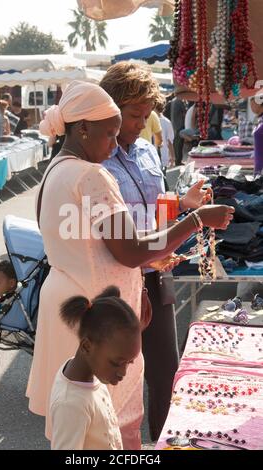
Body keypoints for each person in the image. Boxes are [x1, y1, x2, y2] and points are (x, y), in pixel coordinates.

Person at [26, 80, 234, 450]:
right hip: (99, 316)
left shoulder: (54, 171)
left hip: (78, 304)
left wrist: (135, 283)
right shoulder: (90, 175)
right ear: (82, 128)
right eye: (109, 135)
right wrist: (196, 219)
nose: (111, 147)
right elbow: (131, 249)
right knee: (110, 428)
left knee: (79, 425)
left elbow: (98, 247)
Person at [100, 61, 228, 442]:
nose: (142, 124)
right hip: (117, 280)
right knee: (116, 380)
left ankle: (162, 443)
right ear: (110, 108)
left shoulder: (147, 152)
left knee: (165, 372)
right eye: (134, 115)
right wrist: (192, 219)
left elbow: (156, 211)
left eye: (146, 116)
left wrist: (183, 203)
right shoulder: (94, 160)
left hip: (158, 271)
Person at [50, 285, 141, 450]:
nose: (123, 372)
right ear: (86, 346)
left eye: (130, 362)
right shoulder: (70, 404)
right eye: (116, 363)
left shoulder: (92, 373)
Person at [155, 98, 175, 171]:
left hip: (162, 156)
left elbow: (170, 141)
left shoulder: (166, 122)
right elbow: (170, 141)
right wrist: (172, 157)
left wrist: (172, 157)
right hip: (162, 155)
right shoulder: (167, 122)